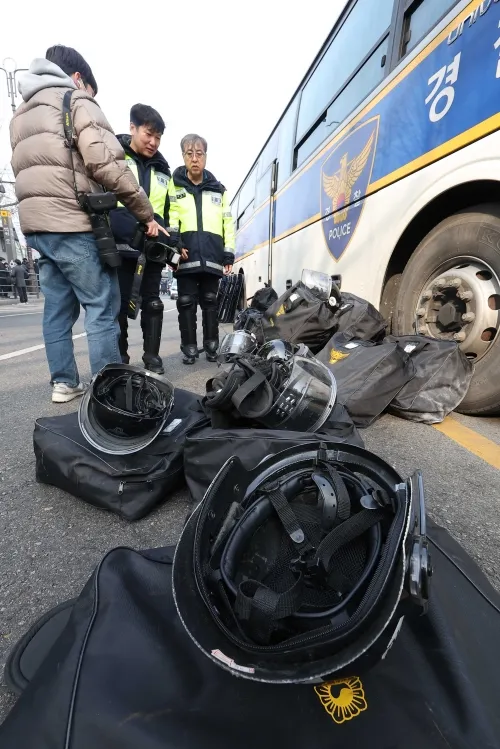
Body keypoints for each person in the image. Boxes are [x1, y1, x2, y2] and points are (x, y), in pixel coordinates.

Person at [10, 45, 161, 403]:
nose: (91, 96)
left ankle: (64, 382)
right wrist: (145, 211)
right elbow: (105, 162)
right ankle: (107, 392)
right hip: (73, 222)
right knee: (101, 305)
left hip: (38, 228)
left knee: (58, 309)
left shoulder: (21, 113)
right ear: (79, 79)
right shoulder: (74, 99)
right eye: (91, 90)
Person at [110, 104, 176, 374]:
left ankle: (152, 357)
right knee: (120, 305)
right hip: (122, 245)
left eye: (158, 137)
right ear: (132, 128)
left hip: (153, 248)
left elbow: (169, 214)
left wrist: (176, 244)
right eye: (149, 134)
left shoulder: (163, 170)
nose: (153, 142)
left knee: (153, 302)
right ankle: (121, 360)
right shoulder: (114, 155)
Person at [167, 134, 235, 364]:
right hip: (186, 256)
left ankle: (211, 344)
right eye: (189, 154)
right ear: (183, 156)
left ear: (206, 156)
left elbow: (228, 223)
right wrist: (175, 245)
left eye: (199, 154)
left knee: (210, 301)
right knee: (186, 302)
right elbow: (171, 219)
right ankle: (189, 347)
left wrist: (228, 252)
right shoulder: (173, 187)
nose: (195, 159)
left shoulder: (219, 190)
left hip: (213, 256)